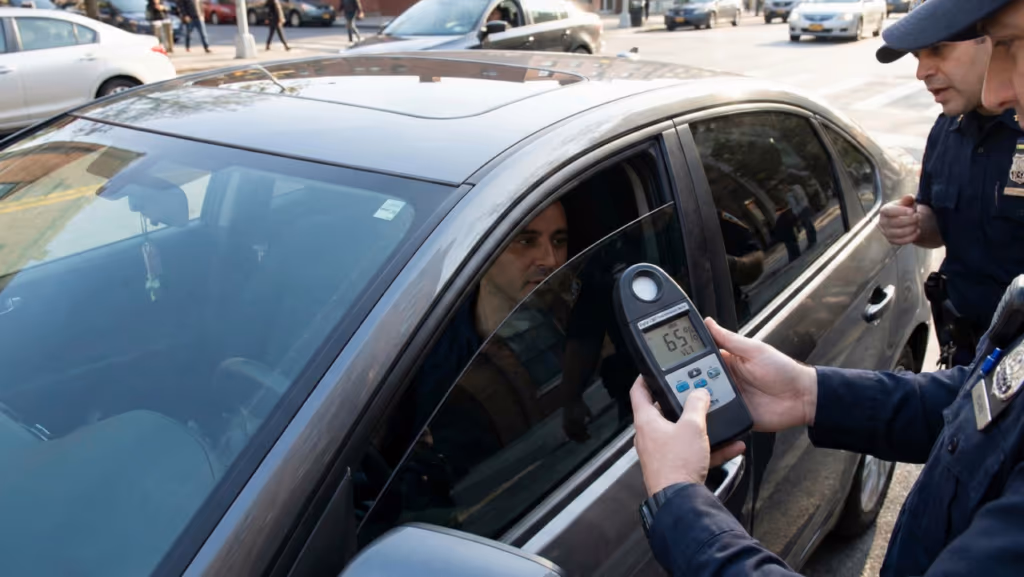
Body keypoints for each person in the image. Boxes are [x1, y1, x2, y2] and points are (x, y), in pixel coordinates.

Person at [629, 3, 1024, 575]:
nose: (997, 92)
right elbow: (988, 409)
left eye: (1011, 44)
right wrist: (810, 393)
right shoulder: (950, 133)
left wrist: (679, 504)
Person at [876, 32, 1024, 367]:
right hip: (964, 351)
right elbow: (938, 227)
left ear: (990, 41)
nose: (922, 71)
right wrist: (913, 222)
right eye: (917, 57)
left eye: (937, 50)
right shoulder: (946, 129)